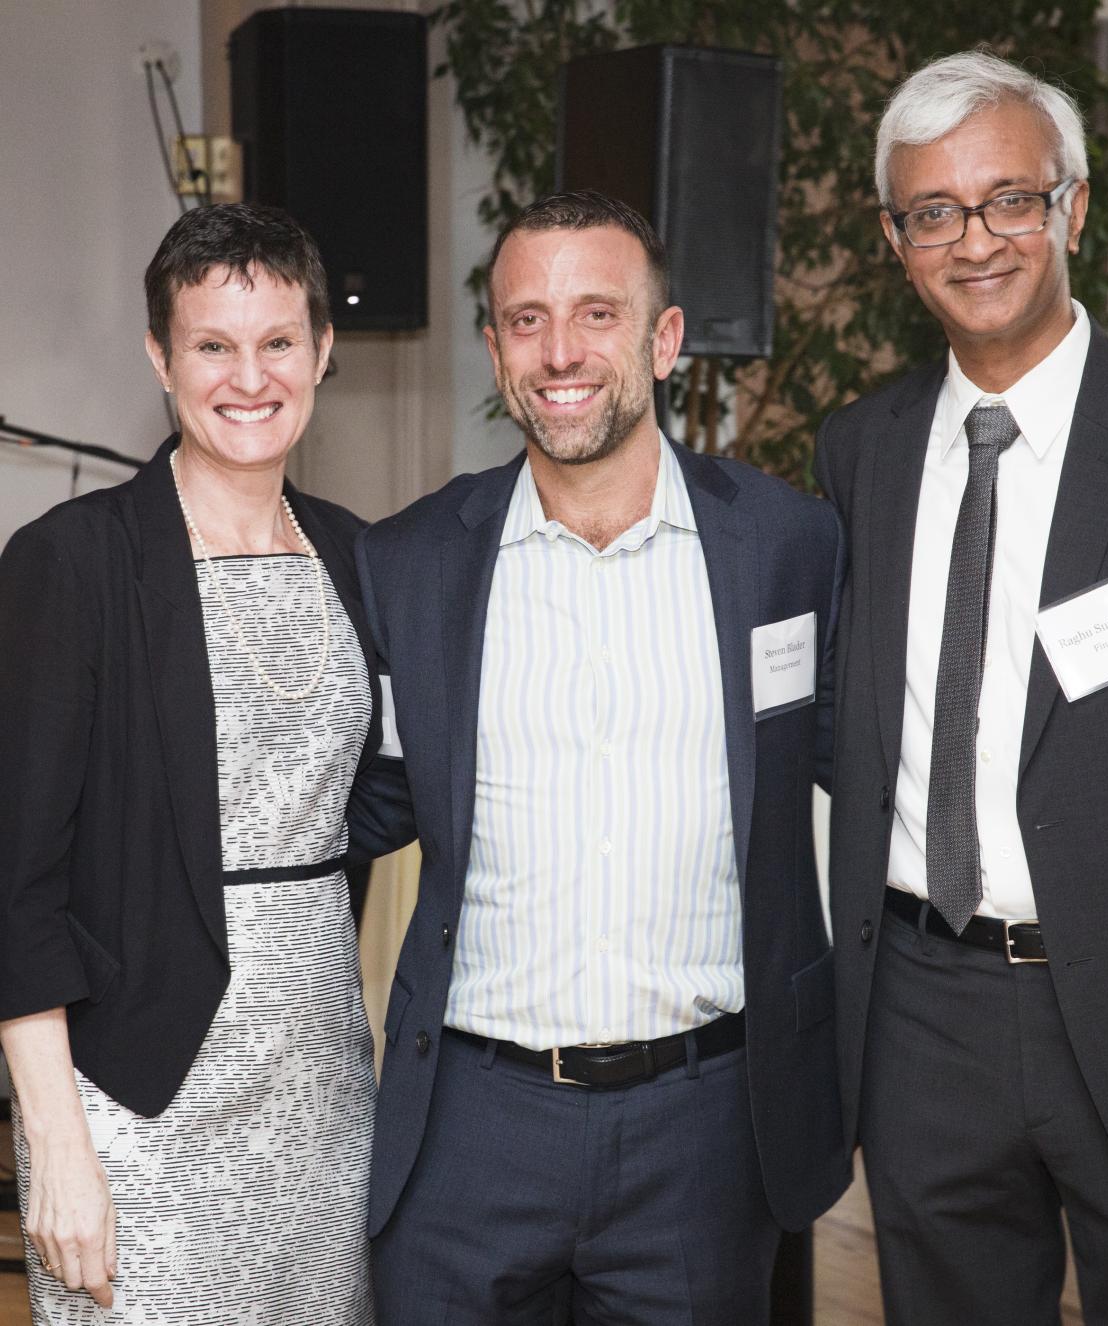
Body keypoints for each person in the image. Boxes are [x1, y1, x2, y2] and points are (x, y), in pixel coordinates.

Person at [348, 189, 848, 1324]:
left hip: (706, 1130)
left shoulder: (786, 547)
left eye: (595, 314)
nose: (559, 351)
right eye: (525, 319)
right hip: (470, 1128)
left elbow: (870, 779)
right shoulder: (412, 562)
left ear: (663, 341)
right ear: (493, 347)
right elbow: (355, 806)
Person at [815, 48, 1108, 1324]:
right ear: (896, 239)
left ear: (1067, 208)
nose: (975, 240)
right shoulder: (861, 450)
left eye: (1008, 198)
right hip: (922, 1009)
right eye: (934, 211)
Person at [0, 202, 382, 1324]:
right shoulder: (74, 562)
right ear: (161, 357)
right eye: (212, 344)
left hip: (321, 1082)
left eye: (275, 342)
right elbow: (16, 882)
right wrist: (57, 1142)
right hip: (136, 1094)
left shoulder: (360, 555)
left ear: (320, 351)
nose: (247, 376)